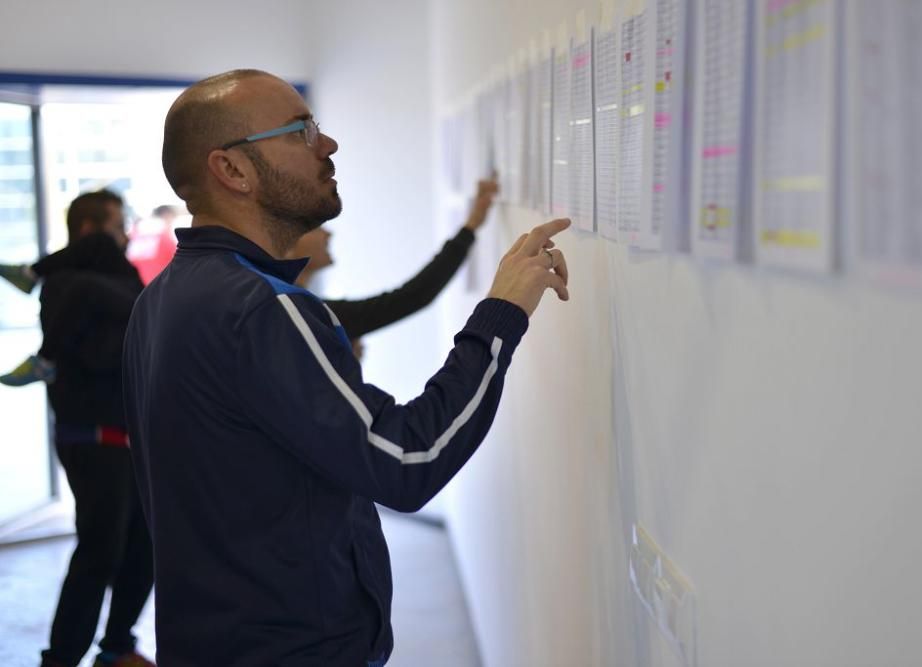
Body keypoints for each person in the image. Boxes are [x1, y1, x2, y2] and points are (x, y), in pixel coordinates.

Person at [122, 68, 569, 666]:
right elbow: (412, 458)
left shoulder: (164, 299)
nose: (327, 145)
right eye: (301, 130)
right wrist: (503, 313)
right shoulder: (264, 311)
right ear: (232, 170)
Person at [13, 191, 154, 667]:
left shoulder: (114, 278)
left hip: (127, 437)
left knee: (142, 547)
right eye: (118, 226)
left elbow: (137, 317)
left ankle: (117, 647)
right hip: (91, 437)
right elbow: (110, 339)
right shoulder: (66, 284)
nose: (126, 235)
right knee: (100, 552)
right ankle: (61, 660)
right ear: (92, 231)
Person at [291, 177, 498, 359]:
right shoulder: (304, 312)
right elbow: (412, 297)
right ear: (288, 246)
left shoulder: (303, 308)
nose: (328, 233)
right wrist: (470, 226)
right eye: (314, 228)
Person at [0, 192, 143, 387]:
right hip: (105, 404)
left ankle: (30, 274)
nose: (127, 239)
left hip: (117, 396)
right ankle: (43, 362)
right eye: (119, 228)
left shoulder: (82, 283)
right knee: (101, 250)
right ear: (87, 229)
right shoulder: (65, 284)